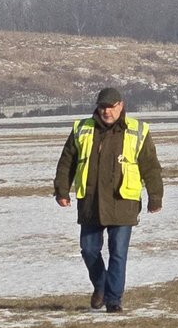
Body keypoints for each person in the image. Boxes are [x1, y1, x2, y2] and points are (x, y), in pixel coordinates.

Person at [53, 87, 163, 313]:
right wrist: (61, 190)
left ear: (121, 106)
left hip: (123, 201)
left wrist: (155, 196)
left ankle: (114, 300)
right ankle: (101, 286)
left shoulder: (137, 130)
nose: (107, 111)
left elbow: (150, 166)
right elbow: (67, 162)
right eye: (103, 107)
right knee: (88, 249)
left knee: (118, 252)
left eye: (111, 107)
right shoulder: (81, 129)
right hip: (91, 202)